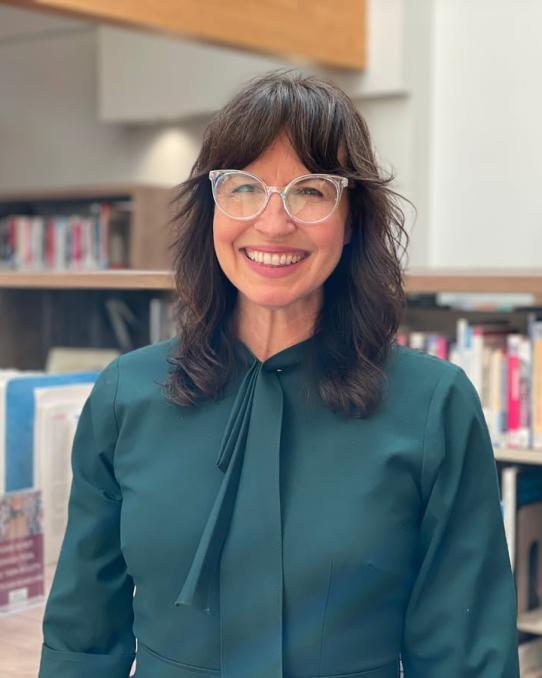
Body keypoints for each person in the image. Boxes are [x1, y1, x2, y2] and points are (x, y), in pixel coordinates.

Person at [38, 70, 519, 678]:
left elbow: (466, 657)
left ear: (353, 221)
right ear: (211, 208)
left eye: (310, 191)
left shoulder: (433, 406)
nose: (272, 223)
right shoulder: (125, 396)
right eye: (243, 188)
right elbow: (82, 641)